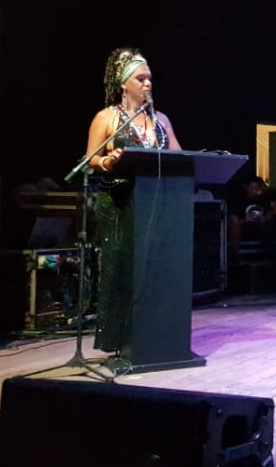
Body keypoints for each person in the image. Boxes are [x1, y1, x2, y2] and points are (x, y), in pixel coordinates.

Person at [85, 48, 181, 351]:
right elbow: (91, 159)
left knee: (153, 268)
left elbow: (179, 155)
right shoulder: (107, 118)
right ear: (124, 83)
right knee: (120, 269)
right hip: (118, 202)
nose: (148, 83)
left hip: (155, 203)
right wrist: (107, 161)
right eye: (140, 78)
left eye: (150, 78)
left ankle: (153, 335)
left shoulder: (161, 120)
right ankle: (120, 340)